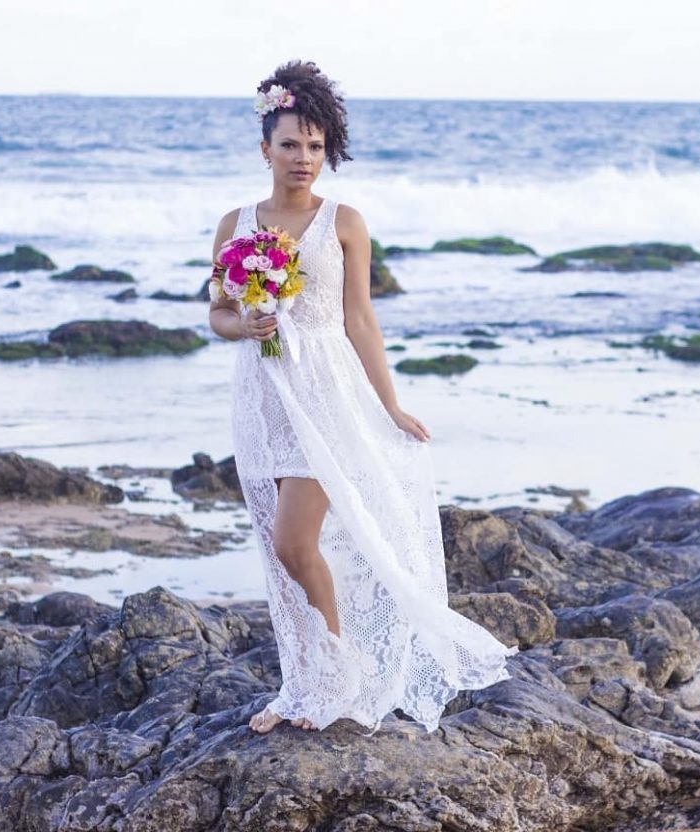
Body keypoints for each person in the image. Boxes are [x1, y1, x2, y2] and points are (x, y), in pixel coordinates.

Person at [208, 59, 518, 736]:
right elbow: (218, 314)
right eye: (290, 144)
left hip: (327, 397)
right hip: (263, 397)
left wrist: (391, 406)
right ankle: (302, 686)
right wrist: (246, 322)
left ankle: (341, 677)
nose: (304, 158)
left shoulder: (344, 222)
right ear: (265, 149)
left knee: (296, 542)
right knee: (275, 549)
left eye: (316, 146)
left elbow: (360, 321)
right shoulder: (235, 223)